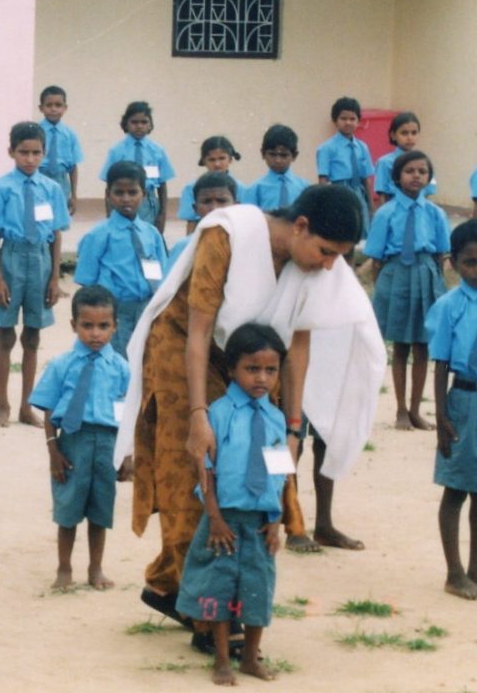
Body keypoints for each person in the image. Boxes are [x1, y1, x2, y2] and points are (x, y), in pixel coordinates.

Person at [115, 186, 384, 653]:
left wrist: (294, 426)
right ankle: (205, 615)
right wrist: (199, 415)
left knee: (255, 474)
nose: (327, 266)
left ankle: (166, 585)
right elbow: (198, 331)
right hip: (184, 350)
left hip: (254, 360)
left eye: (337, 258)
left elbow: (298, 346)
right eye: (325, 252)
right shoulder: (228, 234)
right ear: (300, 226)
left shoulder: (310, 265)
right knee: (198, 472)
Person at [177, 323, 289, 685]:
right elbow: (205, 470)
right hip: (224, 521)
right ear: (231, 369)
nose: (262, 378)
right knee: (219, 591)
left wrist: (277, 519)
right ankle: (222, 659)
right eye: (252, 369)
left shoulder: (275, 417)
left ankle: (251, 658)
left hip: (259, 522)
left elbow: (279, 473)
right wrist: (214, 518)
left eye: (270, 370)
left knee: (257, 589)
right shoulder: (218, 414)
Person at [30, 285, 131, 591]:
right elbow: (48, 408)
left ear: (115, 327)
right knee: (68, 509)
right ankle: (64, 568)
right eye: (87, 326)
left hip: (107, 444)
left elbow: (127, 415)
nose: (95, 334)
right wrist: (53, 451)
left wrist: (126, 455)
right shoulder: (62, 365)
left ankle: (95, 567)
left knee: (101, 509)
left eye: (103, 326)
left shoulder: (122, 369)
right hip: (72, 442)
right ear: (74, 326)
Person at [0, 121, 69, 428]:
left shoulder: (52, 189)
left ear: (44, 154)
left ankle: (25, 406)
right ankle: (2, 404)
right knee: (6, 334)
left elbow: (56, 234)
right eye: (23, 152)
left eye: (36, 153)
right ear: (11, 152)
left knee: (32, 336)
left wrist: (55, 276)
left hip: (41, 261)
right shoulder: (2, 188)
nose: (30, 159)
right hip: (12, 257)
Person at [365, 150, 449, 431]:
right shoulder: (386, 213)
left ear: (428, 177)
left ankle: (416, 410)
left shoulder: (435, 214)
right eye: (409, 171)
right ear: (397, 177)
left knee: (423, 345)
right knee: (400, 345)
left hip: (425, 275)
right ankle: (400, 410)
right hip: (395, 275)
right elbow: (375, 257)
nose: (416, 176)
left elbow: (441, 255)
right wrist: (382, 289)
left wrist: (438, 287)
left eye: (422, 171)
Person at [426, 219, 477, 601]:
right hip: (463, 402)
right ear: (454, 263)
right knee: (456, 489)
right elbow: (441, 362)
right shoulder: (449, 306)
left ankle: (475, 569)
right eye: (471, 262)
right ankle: (454, 572)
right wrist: (442, 416)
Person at [74, 161, 167, 357]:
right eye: (119, 193)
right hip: (116, 311)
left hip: (147, 308)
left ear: (144, 193)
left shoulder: (152, 234)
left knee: (146, 360)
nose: (126, 199)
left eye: (133, 192)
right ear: (108, 195)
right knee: (119, 360)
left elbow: (163, 275)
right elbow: (87, 281)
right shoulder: (99, 235)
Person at [100, 101, 174, 233]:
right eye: (134, 122)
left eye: (144, 122)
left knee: (147, 236)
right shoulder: (117, 151)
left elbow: (162, 185)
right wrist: (109, 214)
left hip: (149, 203)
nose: (139, 126)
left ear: (150, 125)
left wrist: (162, 214)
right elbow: (109, 186)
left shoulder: (157, 151)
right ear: (126, 124)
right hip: (123, 200)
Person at [315, 95, 375, 228]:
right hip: (338, 193)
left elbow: (366, 179)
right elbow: (323, 180)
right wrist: (323, 206)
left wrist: (371, 207)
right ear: (335, 121)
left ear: (358, 121)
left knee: (363, 229)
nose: (348, 122)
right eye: (343, 118)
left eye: (352, 119)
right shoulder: (326, 148)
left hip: (359, 194)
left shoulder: (362, 147)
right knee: (342, 229)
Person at [166, 172, 238, 272]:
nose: (214, 208)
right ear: (196, 209)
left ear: (236, 206)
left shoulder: (245, 246)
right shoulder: (183, 248)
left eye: (221, 201)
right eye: (207, 201)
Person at [178, 136, 240, 235]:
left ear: (230, 159)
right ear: (204, 161)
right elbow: (191, 222)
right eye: (211, 159)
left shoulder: (241, 187)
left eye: (222, 158)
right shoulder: (191, 188)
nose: (217, 164)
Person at [241, 124, 309, 212]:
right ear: (263, 154)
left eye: (284, 155)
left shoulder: (304, 187)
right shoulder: (255, 188)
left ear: (294, 156)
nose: (278, 160)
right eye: (272, 154)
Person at [37, 85, 83, 214]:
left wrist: (73, 195)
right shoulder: (36, 131)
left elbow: (73, 167)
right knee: (42, 216)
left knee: (58, 219)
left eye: (58, 105)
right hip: (40, 178)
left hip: (61, 181)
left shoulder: (70, 135)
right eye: (49, 105)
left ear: (65, 108)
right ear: (41, 108)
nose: (53, 109)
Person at [372, 112, 432, 201]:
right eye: (404, 133)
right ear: (393, 135)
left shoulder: (424, 162)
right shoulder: (385, 162)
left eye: (414, 133)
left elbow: (428, 192)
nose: (410, 137)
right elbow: (382, 194)